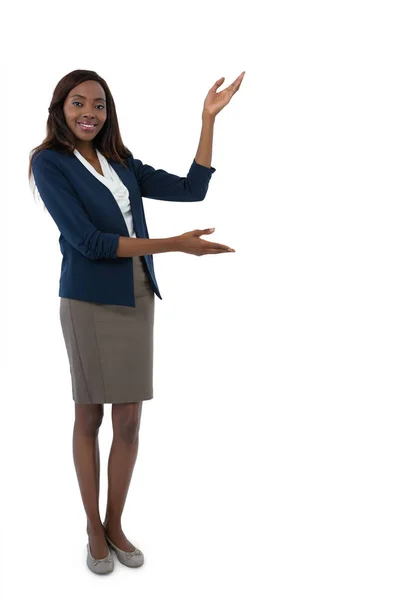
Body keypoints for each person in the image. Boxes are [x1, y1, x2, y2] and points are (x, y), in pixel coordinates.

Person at [28, 68, 245, 575]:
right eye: (78, 102)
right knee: (91, 416)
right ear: (60, 108)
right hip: (88, 301)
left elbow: (193, 190)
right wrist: (175, 245)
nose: (89, 112)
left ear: (109, 113)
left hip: (137, 294)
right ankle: (91, 527)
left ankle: (115, 522)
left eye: (99, 105)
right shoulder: (49, 165)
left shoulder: (120, 162)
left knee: (128, 420)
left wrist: (207, 118)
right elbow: (90, 243)